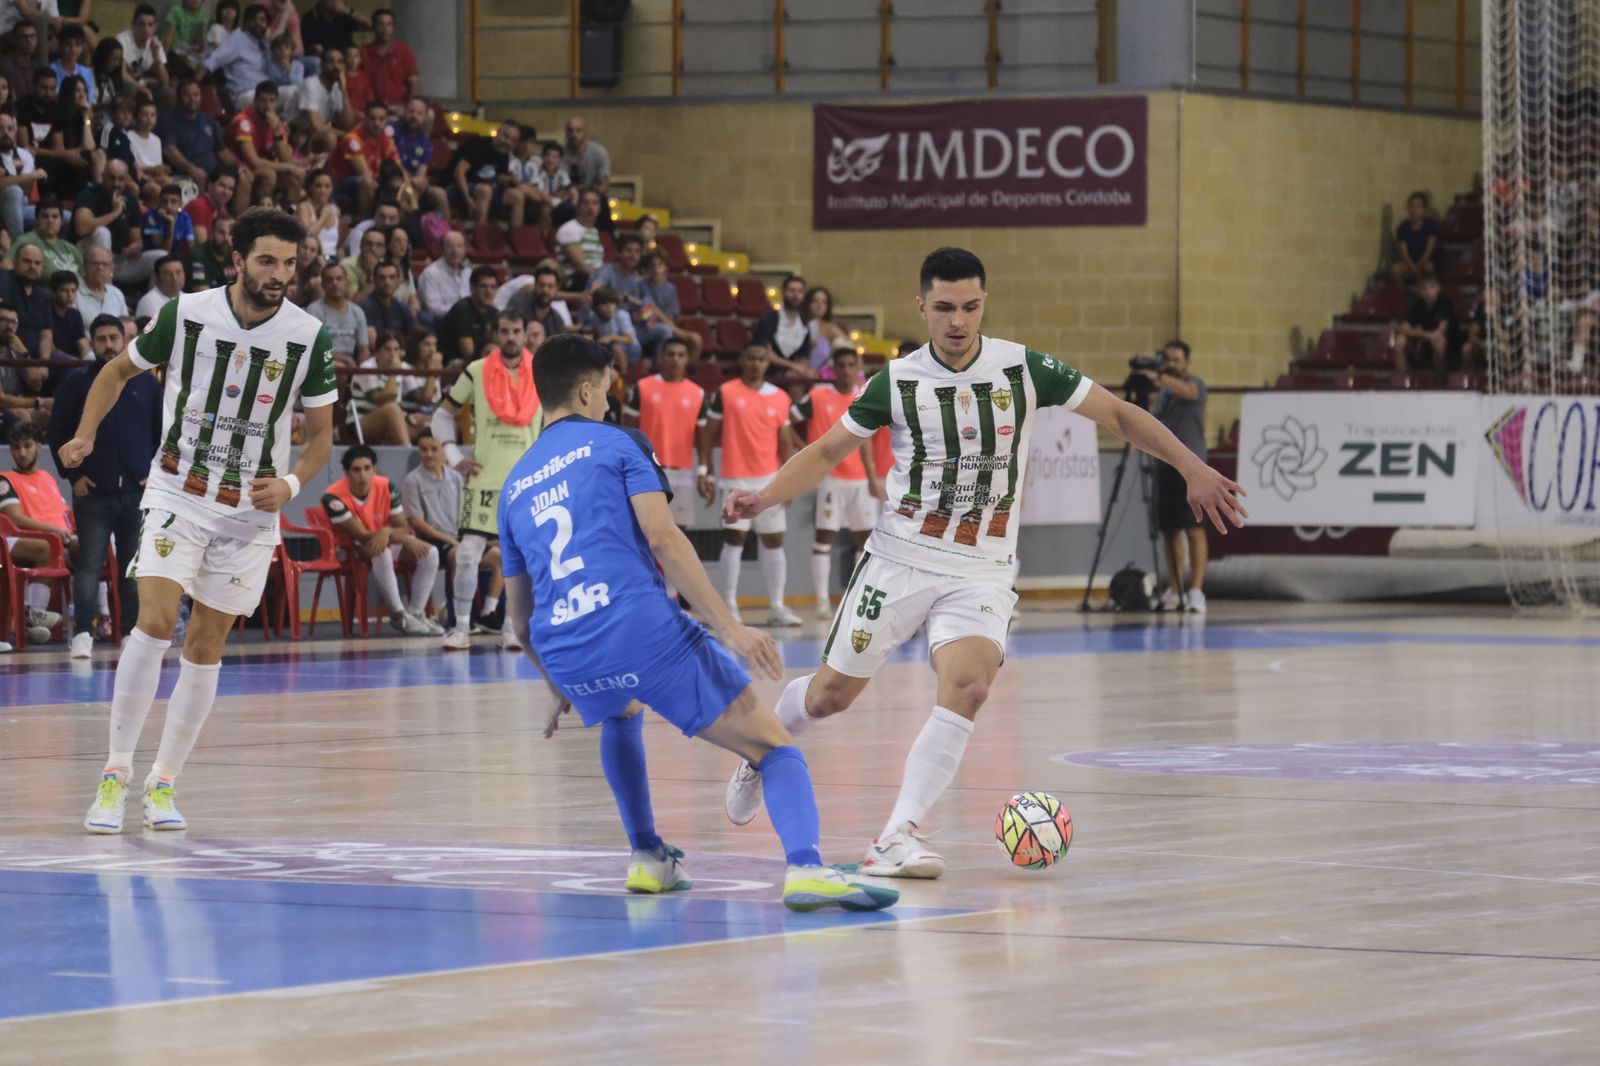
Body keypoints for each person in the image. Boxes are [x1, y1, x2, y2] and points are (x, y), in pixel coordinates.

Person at [719, 247, 1246, 877]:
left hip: (982, 567)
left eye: (969, 306)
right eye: (944, 307)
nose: (958, 320)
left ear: (983, 305)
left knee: (968, 688)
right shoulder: (898, 380)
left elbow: (1118, 414)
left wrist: (1192, 466)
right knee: (831, 697)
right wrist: (763, 496)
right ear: (922, 307)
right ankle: (759, 753)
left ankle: (894, 836)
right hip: (900, 558)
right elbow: (828, 450)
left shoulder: (1023, 368)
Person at [502, 332, 894, 913]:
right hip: (635, 626)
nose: (610, 403)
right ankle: (808, 869)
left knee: (620, 714)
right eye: (606, 391)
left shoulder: (514, 484)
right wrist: (730, 627)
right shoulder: (618, 443)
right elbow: (663, 536)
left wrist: (555, 678)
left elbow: (519, 615)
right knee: (775, 749)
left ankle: (647, 857)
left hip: (564, 644)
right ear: (585, 391)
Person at [65, 207, 336, 835]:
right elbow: (115, 370)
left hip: (248, 509)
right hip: (177, 490)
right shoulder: (185, 313)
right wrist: (84, 435)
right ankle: (114, 774)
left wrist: (291, 482)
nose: (280, 274)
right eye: (267, 260)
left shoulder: (310, 337)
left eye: (290, 263)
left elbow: (320, 435)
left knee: (205, 646)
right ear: (237, 260)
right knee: (155, 621)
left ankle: (163, 783)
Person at [47, 314, 159, 658]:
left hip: (136, 493)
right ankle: (82, 631)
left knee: (133, 568)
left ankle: (129, 634)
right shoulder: (77, 383)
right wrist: (72, 477)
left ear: (125, 340)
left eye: (114, 337)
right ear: (91, 343)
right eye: (101, 339)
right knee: (89, 566)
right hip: (93, 493)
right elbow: (56, 433)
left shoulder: (147, 383)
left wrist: (151, 474)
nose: (108, 345)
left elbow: (162, 433)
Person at [431, 307, 542, 650]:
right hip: (482, 481)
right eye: (505, 331)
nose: (510, 338)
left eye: (516, 331)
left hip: (523, 482)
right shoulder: (477, 371)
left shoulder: (541, 371)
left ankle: (513, 628)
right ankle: (461, 628)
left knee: (521, 559)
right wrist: (453, 457)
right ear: (497, 334)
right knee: (467, 555)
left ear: (525, 334)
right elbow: (441, 415)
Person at [697, 342, 803, 627]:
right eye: (751, 358)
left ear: (767, 363)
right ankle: (729, 606)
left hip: (769, 481)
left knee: (774, 541)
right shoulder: (726, 393)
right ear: (742, 360)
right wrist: (704, 470)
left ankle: (777, 608)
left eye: (761, 359)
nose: (756, 364)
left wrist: (788, 478)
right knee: (735, 540)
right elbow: (708, 432)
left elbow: (785, 440)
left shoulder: (780, 397)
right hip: (735, 478)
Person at [795, 346, 881, 619]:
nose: (845, 370)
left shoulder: (862, 396)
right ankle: (821, 601)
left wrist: (871, 478)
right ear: (832, 367)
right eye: (840, 365)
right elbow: (788, 419)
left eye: (850, 365)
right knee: (824, 538)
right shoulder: (819, 395)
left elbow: (865, 441)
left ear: (857, 367)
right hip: (831, 478)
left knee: (865, 540)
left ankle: (855, 599)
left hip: (858, 481)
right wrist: (804, 452)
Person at [320, 443, 440, 634]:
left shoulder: (386, 486)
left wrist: (388, 533)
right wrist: (392, 534)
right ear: (347, 473)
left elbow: (402, 526)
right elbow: (361, 535)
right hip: (352, 549)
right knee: (380, 551)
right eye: (356, 470)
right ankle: (398, 615)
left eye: (367, 469)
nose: (363, 475)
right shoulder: (333, 497)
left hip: (384, 541)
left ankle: (416, 613)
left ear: (374, 469)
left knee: (431, 553)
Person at [622, 335, 702, 596]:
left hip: (683, 472)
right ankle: (647, 594)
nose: (675, 359)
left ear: (687, 360)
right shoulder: (643, 387)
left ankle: (673, 596)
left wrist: (704, 472)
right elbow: (627, 430)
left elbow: (702, 438)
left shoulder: (698, 393)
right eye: (670, 354)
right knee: (647, 535)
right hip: (648, 471)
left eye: (681, 355)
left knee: (679, 536)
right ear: (661, 358)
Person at [1139, 340, 1209, 613]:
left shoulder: (1195, 385)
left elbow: (1188, 392)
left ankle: (1196, 591)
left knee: (1194, 528)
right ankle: (1176, 588)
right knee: (1169, 531)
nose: (1171, 364)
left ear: (1187, 362)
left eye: (1177, 360)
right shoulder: (1164, 395)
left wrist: (1160, 377)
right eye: (1167, 359)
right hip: (1165, 467)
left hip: (1192, 467)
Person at [402, 428, 492, 630]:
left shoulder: (456, 478)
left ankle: (490, 615)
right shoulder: (413, 481)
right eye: (424, 449)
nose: (429, 454)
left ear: (443, 451)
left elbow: (465, 513)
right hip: (432, 540)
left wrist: (477, 535)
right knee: (457, 556)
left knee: (498, 555)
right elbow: (416, 522)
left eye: (434, 449)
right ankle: (457, 618)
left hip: (458, 538)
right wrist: (451, 541)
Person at [0, 421, 72, 642]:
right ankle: (31, 614)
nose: (21, 453)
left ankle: (104, 618)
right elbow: (15, 518)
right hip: (11, 541)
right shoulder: (5, 480)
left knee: (95, 548)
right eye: (16, 447)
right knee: (47, 548)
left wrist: (72, 534)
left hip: (55, 539)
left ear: (38, 446)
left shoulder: (48, 479)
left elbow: (65, 513)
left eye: (27, 446)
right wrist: (58, 533)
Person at [160, 78, 252, 214]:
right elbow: (170, 150)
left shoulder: (208, 120)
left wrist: (240, 165)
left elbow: (223, 151)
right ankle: (206, 220)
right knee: (202, 177)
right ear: (179, 97)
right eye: (187, 95)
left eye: (196, 94)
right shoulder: (168, 121)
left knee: (243, 178)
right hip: (184, 173)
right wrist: (191, 168)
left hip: (213, 173)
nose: (192, 99)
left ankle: (239, 223)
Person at [350, 328, 429, 444]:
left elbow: (422, 398)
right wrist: (393, 373)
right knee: (391, 408)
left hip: (393, 418)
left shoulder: (401, 366)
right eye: (387, 349)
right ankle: (407, 455)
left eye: (396, 350)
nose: (392, 355)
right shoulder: (366, 368)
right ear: (377, 351)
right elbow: (382, 401)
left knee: (425, 424)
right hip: (361, 421)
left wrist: (433, 371)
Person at [449, 119, 522, 229]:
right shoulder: (479, 144)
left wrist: (511, 180)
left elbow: (498, 177)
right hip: (456, 187)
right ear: (497, 133)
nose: (508, 142)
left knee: (517, 195)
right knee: (485, 190)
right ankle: (480, 235)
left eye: (513, 141)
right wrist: (467, 198)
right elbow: (459, 171)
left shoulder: (504, 154)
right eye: (506, 136)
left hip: (483, 190)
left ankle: (517, 239)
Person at [202, 0, 272, 108]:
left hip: (268, 93)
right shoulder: (239, 38)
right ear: (246, 22)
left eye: (263, 20)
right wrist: (194, 82)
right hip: (246, 94)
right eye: (254, 19)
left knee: (294, 91)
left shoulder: (265, 44)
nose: (259, 23)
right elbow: (214, 59)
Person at [306, 259, 368, 368]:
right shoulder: (314, 311)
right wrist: (343, 360)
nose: (335, 283)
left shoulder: (357, 312)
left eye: (339, 279)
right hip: (322, 364)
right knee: (339, 367)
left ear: (347, 282)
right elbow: (314, 350)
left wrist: (361, 369)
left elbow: (364, 349)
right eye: (330, 280)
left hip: (351, 364)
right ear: (323, 285)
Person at [1391, 271, 1456, 376]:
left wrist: (1421, 334)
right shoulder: (1417, 304)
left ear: (1438, 288)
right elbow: (1403, 329)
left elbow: (1441, 330)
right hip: (1424, 340)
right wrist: (1425, 335)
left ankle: (1439, 382)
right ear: (1420, 291)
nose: (1429, 291)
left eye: (1432, 287)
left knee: (1438, 341)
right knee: (1400, 341)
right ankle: (1404, 381)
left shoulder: (1444, 302)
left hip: (1449, 343)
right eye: (1425, 288)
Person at [752, 274, 815, 380]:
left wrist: (803, 369)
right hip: (768, 369)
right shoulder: (769, 319)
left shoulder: (804, 324)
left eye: (800, 292)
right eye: (792, 291)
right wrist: (794, 366)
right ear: (784, 292)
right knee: (795, 377)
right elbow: (765, 352)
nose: (796, 295)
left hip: (792, 370)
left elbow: (804, 355)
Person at [438, 263, 498, 365]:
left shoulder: (494, 312)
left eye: (493, 287)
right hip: (454, 366)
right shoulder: (462, 310)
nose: (489, 292)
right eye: (483, 286)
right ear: (472, 288)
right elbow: (468, 353)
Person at [0, 241, 53, 356]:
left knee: (76, 367)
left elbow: (46, 334)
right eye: (27, 261)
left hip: (36, 354)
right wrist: (25, 357)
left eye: (37, 263)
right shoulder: (4, 280)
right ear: (14, 262)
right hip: (9, 349)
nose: (32, 266)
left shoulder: (43, 296)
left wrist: (44, 362)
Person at [11, 196, 83, 280]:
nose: (50, 221)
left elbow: (86, 279)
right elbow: (6, 266)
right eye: (45, 216)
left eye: (55, 216)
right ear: (37, 219)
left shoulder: (71, 249)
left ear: (61, 221)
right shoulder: (23, 242)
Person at [0, 110, 44, 242]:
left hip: (22, 206)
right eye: (0, 129)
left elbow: (27, 187)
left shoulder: (25, 154)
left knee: (66, 218)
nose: (6, 133)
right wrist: (34, 175)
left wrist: (6, 177)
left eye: (10, 128)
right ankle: (18, 245)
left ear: (15, 131)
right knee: (14, 191)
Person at [362, 7, 417, 104]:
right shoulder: (363, 52)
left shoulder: (404, 51)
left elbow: (414, 83)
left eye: (389, 24)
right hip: (373, 108)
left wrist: (409, 107)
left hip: (401, 107)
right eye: (381, 24)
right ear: (374, 27)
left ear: (393, 28)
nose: (385, 29)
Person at [116, 4, 170, 99]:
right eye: (141, 24)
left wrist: (156, 55)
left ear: (155, 26)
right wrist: (143, 88)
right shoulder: (122, 40)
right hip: (124, 81)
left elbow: (165, 82)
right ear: (133, 25)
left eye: (150, 24)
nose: (146, 29)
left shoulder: (155, 43)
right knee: (130, 88)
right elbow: (121, 73)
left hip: (141, 80)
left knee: (167, 93)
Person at [556, 186, 604, 290]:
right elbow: (579, 265)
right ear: (578, 206)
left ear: (599, 208)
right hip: (575, 281)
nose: (590, 207)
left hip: (593, 279)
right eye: (586, 203)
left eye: (595, 203)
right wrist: (603, 280)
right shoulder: (569, 229)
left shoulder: (594, 232)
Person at [417, 229, 469, 320]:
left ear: (465, 249)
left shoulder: (468, 273)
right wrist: (462, 310)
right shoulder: (431, 273)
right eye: (450, 246)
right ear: (442, 249)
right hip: (443, 321)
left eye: (459, 246)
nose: (455, 251)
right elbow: (433, 309)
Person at [1390, 191, 1438, 288]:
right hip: (1408, 263)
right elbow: (1405, 255)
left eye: (1419, 206)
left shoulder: (1431, 226)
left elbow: (1428, 253)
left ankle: (1427, 296)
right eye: (1412, 206)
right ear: (1408, 208)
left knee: (1429, 267)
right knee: (1395, 269)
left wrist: (1417, 269)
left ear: (1424, 209)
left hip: (1424, 262)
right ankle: (1400, 298)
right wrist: (1415, 270)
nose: (1415, 209)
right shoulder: (1402, 228)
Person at [359, 256, 414, 337]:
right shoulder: (365, 308)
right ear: (374, 280)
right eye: (382, 278)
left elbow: (414, 337)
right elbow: (372, 344)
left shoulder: (402, 308)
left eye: (391, 277)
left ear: (398, 282)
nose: (387, 282)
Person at [141, 182, 195, 258]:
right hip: (149, 257)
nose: (168, 206)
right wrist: (171, 225)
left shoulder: (184, 217)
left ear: (180, 204)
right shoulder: (151, 216)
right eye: (164, 201)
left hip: (172, 258)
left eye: (173, 202)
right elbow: (162, 252)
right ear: (159, 203)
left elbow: (191, 245)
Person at [75, 245, 129, 320]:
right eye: (95, 263)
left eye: (105, 264)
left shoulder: (117, 294)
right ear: (84, 266)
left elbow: (125, 325)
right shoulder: (74, 293)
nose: (100, 268)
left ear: (111, 269)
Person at [561, 114, 610, 195]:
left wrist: (593, 197)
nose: (574, 135)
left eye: (578, 130)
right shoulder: (560, 154)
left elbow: (605, 182)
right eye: (570, 131)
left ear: (586, 132)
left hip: (593, 197)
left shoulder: (599, 152)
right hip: (568, 197)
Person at [187, 213, 238, 289]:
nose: (226, 238)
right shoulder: (198, 256)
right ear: (211, 233)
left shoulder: (235, 255)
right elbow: (202, 294)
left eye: (230, 234)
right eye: (221, 233)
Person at [46, 269, 86, 356]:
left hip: (74, 364)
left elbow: (82, 343)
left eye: (73, 290)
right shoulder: (45, 312)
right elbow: (50, 348)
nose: (70, 295)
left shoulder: (75, 315)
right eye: (64, 290)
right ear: (53, 292)